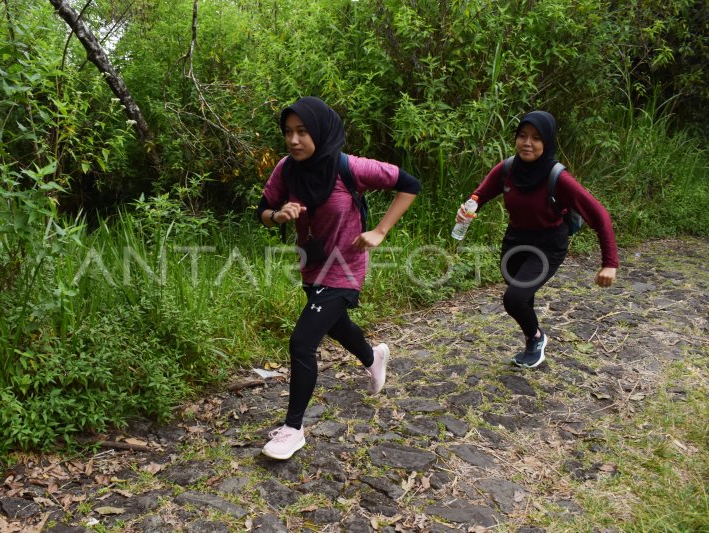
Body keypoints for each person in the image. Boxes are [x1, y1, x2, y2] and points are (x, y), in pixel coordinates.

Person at [256, 96, 420, 460]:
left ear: (321, 132)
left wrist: (380, 230)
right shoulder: (286, 170)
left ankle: (293, 429)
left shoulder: (351, 167)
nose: (294, 140)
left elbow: (409, 184)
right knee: (334, 324)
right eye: (288, 132)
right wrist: (278, 215)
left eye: (303, 132)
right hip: (311, 263)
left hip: (346, 267)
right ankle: (373, 357)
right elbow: (261, 211)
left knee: (302, 343)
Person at [456, 110, 618, 369]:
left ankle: (536, 339)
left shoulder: (559, 178)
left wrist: (609, 262)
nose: (527, 143)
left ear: (548, 142)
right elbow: (480, 194)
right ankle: (533, 336)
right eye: (522, 136)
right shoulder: (508, 168)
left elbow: (599, 215)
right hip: (515, 240)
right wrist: (468, 208)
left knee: (514, 298)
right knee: (521, 295)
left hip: (548, 244)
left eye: (536, 138)